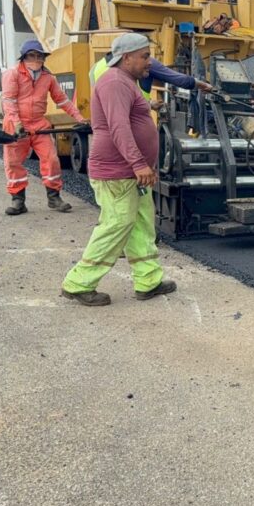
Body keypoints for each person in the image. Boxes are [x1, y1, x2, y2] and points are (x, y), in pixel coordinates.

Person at [61, 33, 176, 307]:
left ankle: (148, 280)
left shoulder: (126, 82)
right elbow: (118, 127)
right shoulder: (114, 82)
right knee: (117, 224)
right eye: (145, 57)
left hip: (132, 173)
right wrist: (138, 163)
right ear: (126, 58)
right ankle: (79, 283)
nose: (149, 62)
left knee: (141, 223)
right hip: (117, 171)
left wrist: (145, 164)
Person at [1, 39, 88, 215]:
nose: (36, 59)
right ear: (24, 58)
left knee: (51, 159)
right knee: (13, 162)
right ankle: (18, 201)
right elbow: (9, 101)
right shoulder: (13, 74)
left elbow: (62, 100)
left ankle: (54, 198)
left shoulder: (48, 77)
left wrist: (80, 118)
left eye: (39, 56)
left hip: (39, 124)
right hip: (16, 125)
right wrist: (17, 123)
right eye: (32, 55)